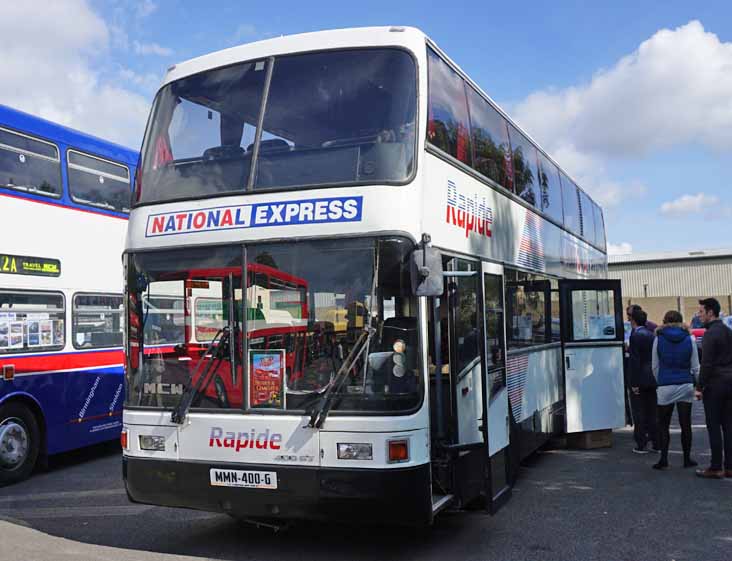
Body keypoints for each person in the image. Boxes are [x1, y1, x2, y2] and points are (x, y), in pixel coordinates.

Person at [651, 311, 699, 470]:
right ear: (681, 321)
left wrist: (660, 380)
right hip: (685, 384)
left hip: (665, 385)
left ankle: (664, 459)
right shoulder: (689, 338)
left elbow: (655, 365)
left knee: (663, 424)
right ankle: (686, 459)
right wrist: (697, 383)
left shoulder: (658, 338)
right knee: (686, 424)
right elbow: (695, 366)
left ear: (664, 321)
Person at [695, 298, 732, 478]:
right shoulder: (727, 331)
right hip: (730, 382)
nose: (699, 315)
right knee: (729, 426)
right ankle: (730, 466)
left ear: (710, 313)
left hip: (715, 384)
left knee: (714, 426)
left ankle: (716, 466)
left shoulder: (710, 334)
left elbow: (706, 363)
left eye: (701, 311)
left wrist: (699, 386)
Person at [628, 308, 658, 453]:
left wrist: (633, 383)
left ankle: (641, 443)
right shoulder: (651, 335)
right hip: (652, 376)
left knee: (639, 412)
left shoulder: (635, 336)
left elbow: (635, 361)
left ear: (632, 319)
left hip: (640, 377)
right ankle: (656, 442)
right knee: (653, 411)